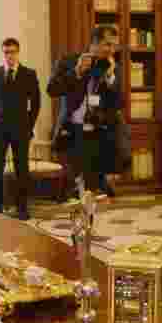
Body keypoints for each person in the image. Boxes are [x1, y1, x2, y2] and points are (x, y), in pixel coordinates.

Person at [47, 26, 122, 197]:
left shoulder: (111, 67)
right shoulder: (68, 61)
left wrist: (110, 78)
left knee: (92, 188)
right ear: (94, 43)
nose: (112, 50)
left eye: (114, 46)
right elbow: (52, 90)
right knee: (74, 184)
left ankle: (90, 215)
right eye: (107, 45)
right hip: (72, 130)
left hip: (98, 133)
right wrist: (77, 71)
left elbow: (118, 103)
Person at [0, 38, 41, 220]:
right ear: (3, 53)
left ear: (18, 52)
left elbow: (36, 103)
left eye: (12, 51)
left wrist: (28, 125)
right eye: (6, 52)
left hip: (20, 128)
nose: (9, 55)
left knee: (21, 169)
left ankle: (22, 208)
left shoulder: (29, 74)